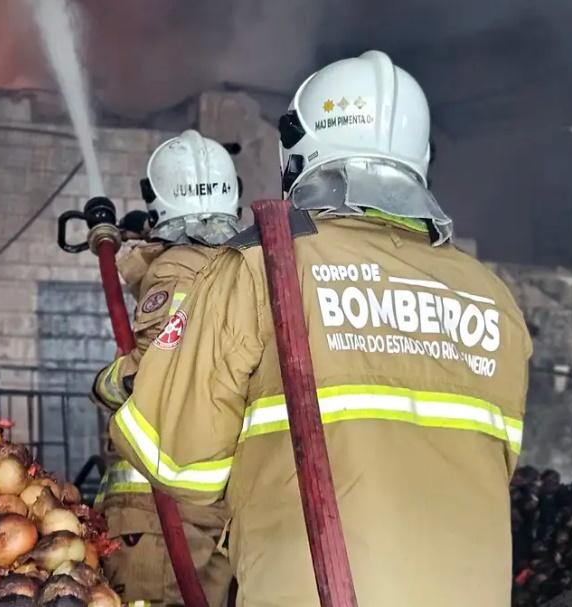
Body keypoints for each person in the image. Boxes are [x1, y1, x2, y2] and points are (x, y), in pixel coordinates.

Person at [109, 50, 533, 607]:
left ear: (298, 154)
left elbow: (177, 461)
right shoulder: (494, 300)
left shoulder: (263, 267)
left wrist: (129, 380)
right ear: (421, 158)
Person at [91, 130, 240, 607]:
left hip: (159, 516)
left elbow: (146, 378)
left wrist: (105, 382)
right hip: (212, 513)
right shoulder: (241, 266)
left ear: (160, 206)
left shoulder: (175, 269)